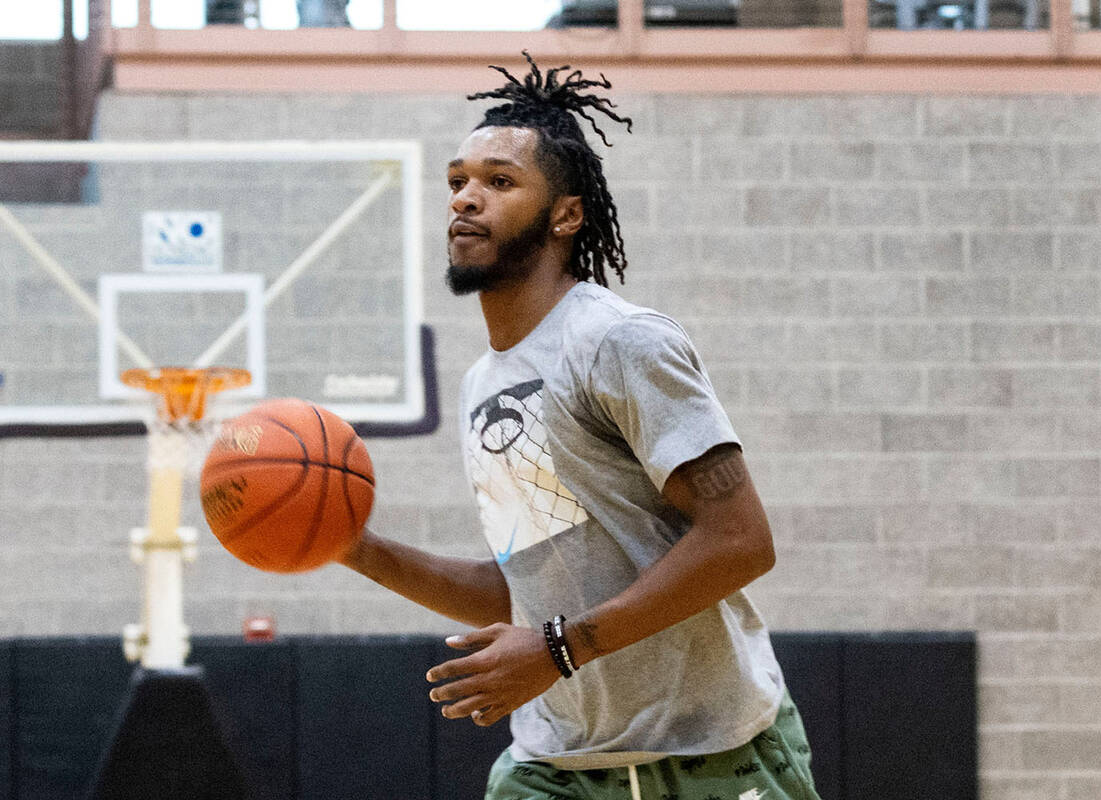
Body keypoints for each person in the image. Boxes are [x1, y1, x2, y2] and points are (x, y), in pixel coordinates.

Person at [339, 52, 822, 800]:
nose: (466, 198)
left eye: (499, 182)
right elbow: (524, 591)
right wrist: (356, 549)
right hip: (558, 767)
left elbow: (740, 540)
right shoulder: (483, 385)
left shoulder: (618, 343)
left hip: (713, 754)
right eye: (458, 181)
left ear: (566, 214)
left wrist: (558, 650)